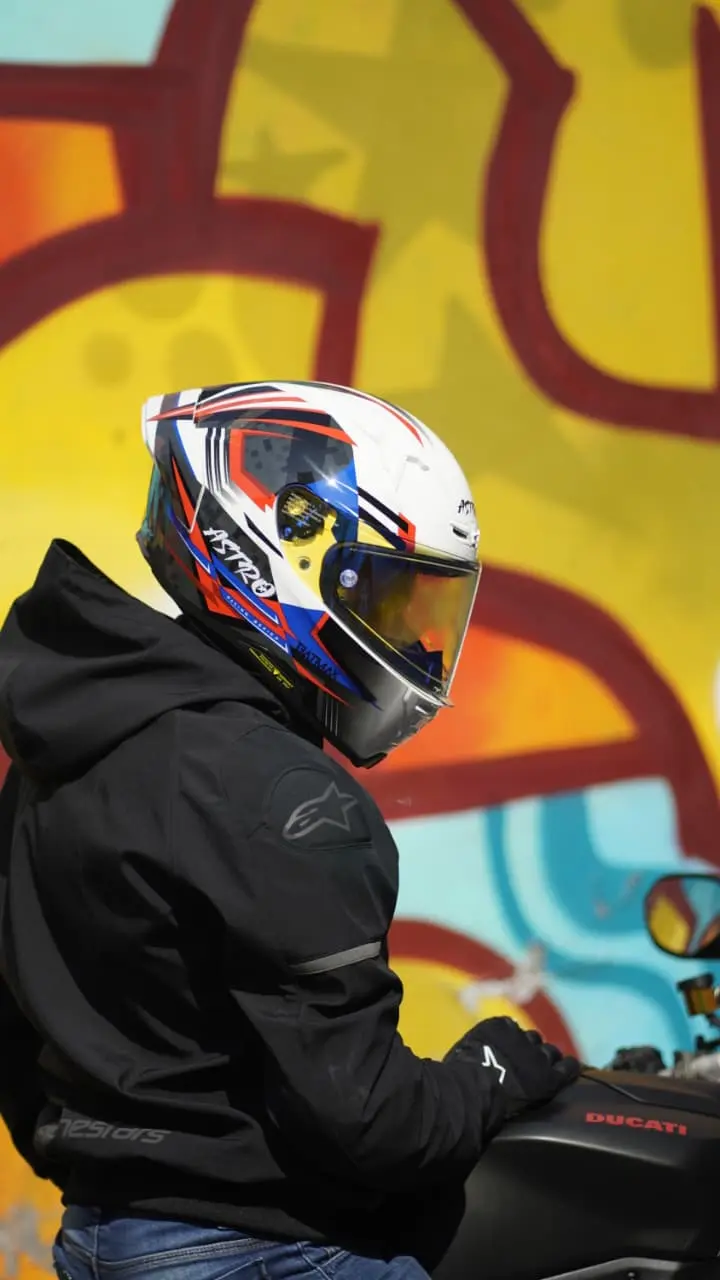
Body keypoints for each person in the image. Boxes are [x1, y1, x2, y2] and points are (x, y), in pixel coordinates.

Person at [0, 381, 579, 1280]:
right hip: (268, 1251)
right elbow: (376, 1123)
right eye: (388, 598)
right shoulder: (279, 792)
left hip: (98, 1239)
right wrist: (497, 1067)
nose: (414, 644)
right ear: (283, 554)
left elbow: (19, 1053)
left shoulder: (65, 744)